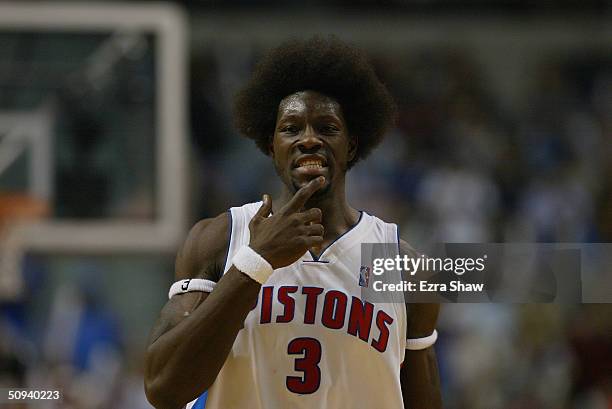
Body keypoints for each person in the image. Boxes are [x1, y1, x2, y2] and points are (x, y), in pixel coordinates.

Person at [144, 36, 441, 409]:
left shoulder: (401, 266)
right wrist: (256, 261)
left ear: (351, 145)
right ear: (271, 146)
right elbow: (162, 388)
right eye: (291, 128)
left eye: (327, 128)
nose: (309, 139)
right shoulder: (221, 239)